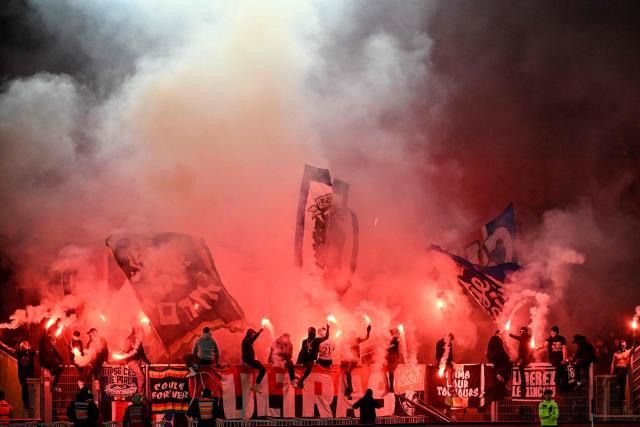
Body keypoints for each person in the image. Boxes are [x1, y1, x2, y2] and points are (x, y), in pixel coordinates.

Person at [0, 339, 36, 408]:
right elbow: (8, 348)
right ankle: (26, 403)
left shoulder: (31, 352)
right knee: (24, 387)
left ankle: (30, 403)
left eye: (24, 344)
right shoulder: (19, 352)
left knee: (30, 389)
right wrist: (1, 344)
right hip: (22, 375)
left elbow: (40, 353)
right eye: (22, 345)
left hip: (30, 375)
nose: (23, 346)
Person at [296, 324, 330, 390]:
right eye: (312, 333)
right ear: (309, 333)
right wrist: (298, 361)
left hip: (311, 360)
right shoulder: (305, 341)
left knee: (310, 365)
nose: (313, 334)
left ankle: (302, 380)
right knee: (299, 366)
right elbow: (301, 351)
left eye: (314, 333)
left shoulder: (316, 340)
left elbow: (326, 337)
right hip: (304, 359)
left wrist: (328, 328)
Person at [118, 327, 151, 394]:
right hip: (132, 362)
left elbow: (141, 353)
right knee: (141, 377)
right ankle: (140, 395)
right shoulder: (130, 339)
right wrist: (120, 360)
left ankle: (140, 394)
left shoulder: (138, 340)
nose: (142, 334)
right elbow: (125, 350)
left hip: (136, 361)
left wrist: (148, 362)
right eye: (140, 332)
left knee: (140, 377)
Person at [341, 324, 371, 396]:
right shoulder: (346, 341)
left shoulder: (357, 339)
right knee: (344, 365)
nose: (352, 336)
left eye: (353, 334)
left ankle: (350, 387)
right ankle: (349, 387)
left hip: (355, 361)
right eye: (350, 334)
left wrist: (368, 331)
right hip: (349, 360)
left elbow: (366, 338)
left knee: (348, 370)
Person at [484, 331, 512, 403]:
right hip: (497, 362)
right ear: (497, 334)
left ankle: (500, 377)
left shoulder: (492, 341)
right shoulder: (497, 340)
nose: (502, 335)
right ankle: (501, 376)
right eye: (501, 334)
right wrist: (508, 358)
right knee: (509, 363)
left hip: (494, 362)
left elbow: (487, 352)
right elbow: (500, 352)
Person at [537, 326, 567, 391]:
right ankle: (557, 384)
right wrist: (538, 347)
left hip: (560, 359)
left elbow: (564, 349)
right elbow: (544, 344)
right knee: (558, 366)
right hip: (553, 359)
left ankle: (562, 387)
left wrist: (564, 359)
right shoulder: (550, 339)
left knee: (563, 369)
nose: (552, 333)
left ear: (557, 332)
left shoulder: (562, 339)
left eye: (553, 332)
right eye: (551, 332)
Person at [39, 326, 64, 392]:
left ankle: (52, 373)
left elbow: (55, 351)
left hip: (50, 361)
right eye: (49, 335)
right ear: (47, 334)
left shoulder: (49, 343)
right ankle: (53, 386)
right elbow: (43, 338)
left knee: (61, 367)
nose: (51, 336)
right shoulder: (42, 341)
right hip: (45, 361)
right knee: (59, 369)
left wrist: (61, 359)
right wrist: (45, 329)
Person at [509, 326, 533, 398]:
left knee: (521, 366)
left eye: (522, 331)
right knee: (512, 363)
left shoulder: (527, 337)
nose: (521, 333)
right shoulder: (523, 338)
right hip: (522, 357)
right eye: (520, 331)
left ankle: (523, 382)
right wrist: (517, 359)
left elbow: (520, 338)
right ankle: (511, 383)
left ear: (526, 332)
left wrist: (512, 335)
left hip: (527, 358)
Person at [242, 328, 266, 392]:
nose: (253, 336)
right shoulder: (246, 341)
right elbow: (252, 339)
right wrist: (259, 332)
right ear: (250, 334)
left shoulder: (247, 341)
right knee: (263, 369)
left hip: (249, 360)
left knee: (260, 365)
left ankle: (256, 385)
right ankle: (256, 385)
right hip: (249, 361)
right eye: (252, 334)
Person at [386, 329, 402, 393]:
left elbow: (398, 338)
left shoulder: (394, 339)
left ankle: (391, 387)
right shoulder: (387, 340)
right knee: (390, 372)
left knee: (391, 372)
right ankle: (391, 387)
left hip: (393, 357)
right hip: (390, 357)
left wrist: (398, 333)